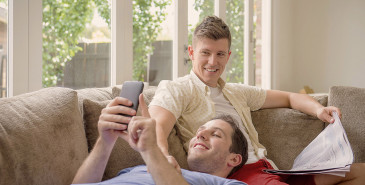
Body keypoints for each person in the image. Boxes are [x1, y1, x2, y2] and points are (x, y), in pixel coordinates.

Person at [148, 16, 365, 185]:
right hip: (235, 173)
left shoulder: (237, 92)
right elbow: (156, 126)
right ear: (192, 52)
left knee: (359, 173)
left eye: (220, 54)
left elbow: (290, 98)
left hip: (268, 169)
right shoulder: (177, 88)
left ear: (229, 56)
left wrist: (319, 110)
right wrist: (163, 158)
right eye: (205, 53)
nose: (213, 62)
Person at [72, 94, 249, 185]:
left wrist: (151, 152)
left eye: (216, 134)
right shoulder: (138, 170)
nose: (200, 134)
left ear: (234, 158)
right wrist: (106, 140)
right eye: (201, 130)